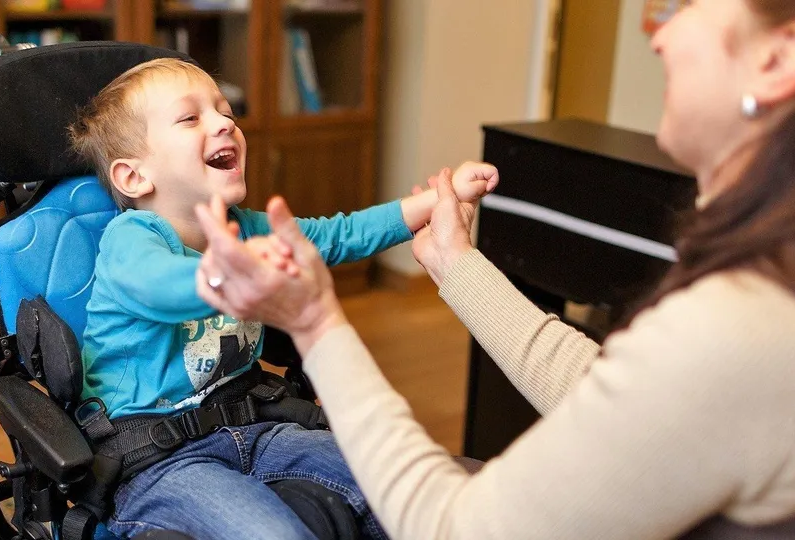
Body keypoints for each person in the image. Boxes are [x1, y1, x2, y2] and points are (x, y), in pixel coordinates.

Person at [194, 0, 795, 538]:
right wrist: (458, 267)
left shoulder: (749, 322)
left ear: (778, 57)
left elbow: (453, 528)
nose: (658, 32)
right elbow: (637, 406)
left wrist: (316, 323)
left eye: (688, 6)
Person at [67, 56, 499, 539]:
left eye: (225, 110)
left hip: (257, 425)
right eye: (191, 118)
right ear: (133, 178)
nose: (225, 123)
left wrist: (436, 201)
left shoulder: (247, 228)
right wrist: (220, 275)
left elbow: (341, 234)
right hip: (159, 462)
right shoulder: (131, 240)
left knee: (405, 489)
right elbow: (158, 284)